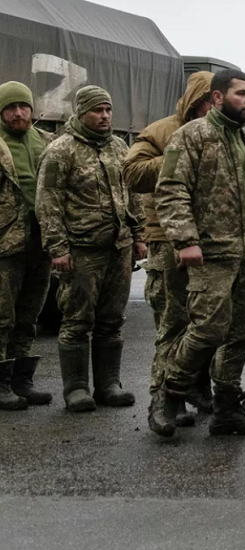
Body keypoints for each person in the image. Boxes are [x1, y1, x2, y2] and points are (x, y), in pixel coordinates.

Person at [149, 69, 245, 438]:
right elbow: (171, 189)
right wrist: (185, 240)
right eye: (241, 94)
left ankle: (227, 409)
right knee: (207, 329)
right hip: (208, 253)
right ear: (218, 97)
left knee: (241, 332)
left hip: (242, 255)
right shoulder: (192, 136)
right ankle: (168, 394)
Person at [35, 86, 145, 412]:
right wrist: (57, 248)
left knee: (111, 320)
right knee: (77, 321)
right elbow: (48, 204)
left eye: (108, 110)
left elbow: (132, 195)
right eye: (97, 111)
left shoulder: (118, 147)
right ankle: (76, 389)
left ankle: (109, 384)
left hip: (118, 248)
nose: (105, 116)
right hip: (81, 250)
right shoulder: (60, 151)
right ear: (81, 112)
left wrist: (137, 234)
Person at [124, 71, 215, 426]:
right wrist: (178, 155)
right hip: (167, 239)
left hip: (209, 241)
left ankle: (197, 388)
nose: (214, 107)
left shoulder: (225, 134)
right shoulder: (163, 131)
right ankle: (163, 400)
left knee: (207, 324)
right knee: (173, 322)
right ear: (197, 100)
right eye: (209, 100)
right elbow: (132, 173)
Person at [0, 81, 55, 409]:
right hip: (5, 244)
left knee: (28, 315)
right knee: (1, 316)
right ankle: (1, 383)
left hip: (41, 243)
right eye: (10, 108)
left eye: (23, 107)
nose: (18, 113)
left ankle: (22, 380)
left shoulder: (47, 142)